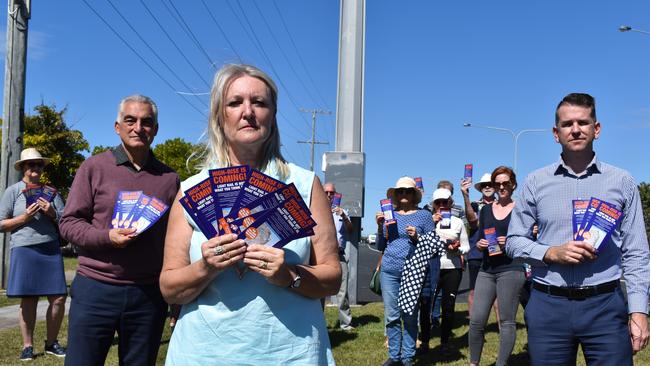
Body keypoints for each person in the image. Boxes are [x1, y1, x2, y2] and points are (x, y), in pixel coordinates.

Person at [160, 64, 340, 365]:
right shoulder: (190, 190)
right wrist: (206, 266)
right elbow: (169, 289)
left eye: (259, 102)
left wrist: (290, 275)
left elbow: (332, 277)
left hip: (290, 353)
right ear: (220, 115)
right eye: (235, 103)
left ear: (272, 114)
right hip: (203, 353)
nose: (248, 111)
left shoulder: (305, 184)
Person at [506, 93, 650, 365]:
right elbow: (513, 241)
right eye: (567, 124)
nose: (575, 129)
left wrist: (640, 311)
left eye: (583, 122)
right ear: (555, 133)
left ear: (596, 129)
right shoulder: (535, 182)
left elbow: (637, 252)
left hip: (605, 305)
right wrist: (550, 253)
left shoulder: (622, 181)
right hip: (548, 306)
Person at [59, 95, 180, 365]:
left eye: (147, 122)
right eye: (130, 120)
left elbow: (173, 242)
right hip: (95, 287)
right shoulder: (94, 167)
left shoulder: (170, 179)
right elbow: (68, 223)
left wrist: (176, 298)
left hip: (148, 294)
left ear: (156, 129)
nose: (138, 127)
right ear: (117, 127)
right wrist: (107, 237)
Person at [0, 148, 67, 361]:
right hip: (24, 248)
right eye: (31, 165)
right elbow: (1, 223)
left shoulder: (52, 192)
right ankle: (27, 346)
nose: (35, 168)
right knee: (29, 299)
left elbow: (66, 222)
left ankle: (51, 343)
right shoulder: (12, 191)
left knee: (58, 298)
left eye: (39, 164)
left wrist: (52, 213)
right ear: (23, 168)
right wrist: (24, 218)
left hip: (50, 249)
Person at [376, 176, 437, 366]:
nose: (403, 194)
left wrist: (418, 237)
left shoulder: (424, 216)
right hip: (389, 270)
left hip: (413, 271)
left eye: (407, 191)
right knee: (392, 315)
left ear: (414, 194)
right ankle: (394, 357)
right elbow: (380, 246)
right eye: (400, 191)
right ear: (395, 195)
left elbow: (433, 246)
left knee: (410, 315)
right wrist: (379, 228)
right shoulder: (389, 214)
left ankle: (408, 357)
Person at [468, 166, 526, 366]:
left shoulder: (521, 209)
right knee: (476, 320)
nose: (501, 187)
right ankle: (473, 363)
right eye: (497, 184)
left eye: (505, 183)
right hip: (487, 268)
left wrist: (508, 241)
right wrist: (480, 244)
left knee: (507, 320)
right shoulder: (485, 210)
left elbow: (528, 239)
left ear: (513, 185)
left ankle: (501, 364)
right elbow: (482, 238)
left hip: (511, 269)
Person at [429, 187, 470, 355]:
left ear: (450, 203)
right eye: (437, 202)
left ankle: (445, 341)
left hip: (452, 268)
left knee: (448, 306)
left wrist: (458, 249)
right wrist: (431, 223)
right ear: (433, 204)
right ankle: (424, 339)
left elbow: (467, 246)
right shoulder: (427, 220)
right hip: (432, 267)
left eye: (444, 202)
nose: (441, 205)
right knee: (426, 304)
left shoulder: (458, 222)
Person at [461, 173, 496, 317]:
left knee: (497, 292)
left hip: (496, 251)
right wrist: (466, 197)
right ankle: (474, 326)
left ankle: (502, 328)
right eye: (484, 185)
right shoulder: (474, 205)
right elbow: (473, 222)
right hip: (477, 253)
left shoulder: (502, 205)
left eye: (490, 184)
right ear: (480, 188)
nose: (487, 187)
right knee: (474, 290)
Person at [323, 182, 355, 330]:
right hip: (321, 255)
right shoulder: (317, 210)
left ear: (336, 195)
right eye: (326, 192)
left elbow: (351, 230)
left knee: (343, 291)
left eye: (332, 193)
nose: (329, 195)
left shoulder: (342, 212)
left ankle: (346, 324)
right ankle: (319, 323)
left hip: (339, 254)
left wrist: (344, 216)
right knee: (320, 290)